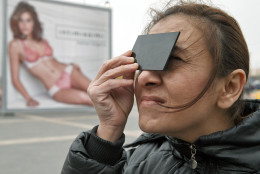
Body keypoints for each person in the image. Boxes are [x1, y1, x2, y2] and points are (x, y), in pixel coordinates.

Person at [62, 1, 260, 173]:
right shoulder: (140, 161)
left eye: (173, 59)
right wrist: (107, 134)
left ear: (230, 87)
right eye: (143, 61)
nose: (144, 77)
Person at [9, 1, 92, 107]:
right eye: (21, 20)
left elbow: (52, 61)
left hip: (68, 71)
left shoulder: (42, 41)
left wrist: (70, 64)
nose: (24, 25)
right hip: (56, 87)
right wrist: (28, 98)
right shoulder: (15, 45)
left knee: (98, 90)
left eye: (28, 20)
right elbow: (15, 79)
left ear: (33, 22)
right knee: (89, 99)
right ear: (16, 23)